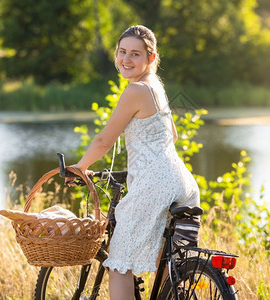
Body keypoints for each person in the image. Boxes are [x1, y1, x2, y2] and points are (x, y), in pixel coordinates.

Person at [69, 25, 200, 300]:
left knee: (120, 262)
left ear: (150, 58)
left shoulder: (135, 90)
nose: (126, 60)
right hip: (182, 181)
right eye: (122, 52)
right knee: (169, 263)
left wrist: (80, 167)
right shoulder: (156, 86)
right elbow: (172, 135)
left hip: (155, 184)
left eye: (135, 54)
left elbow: (104, 142)